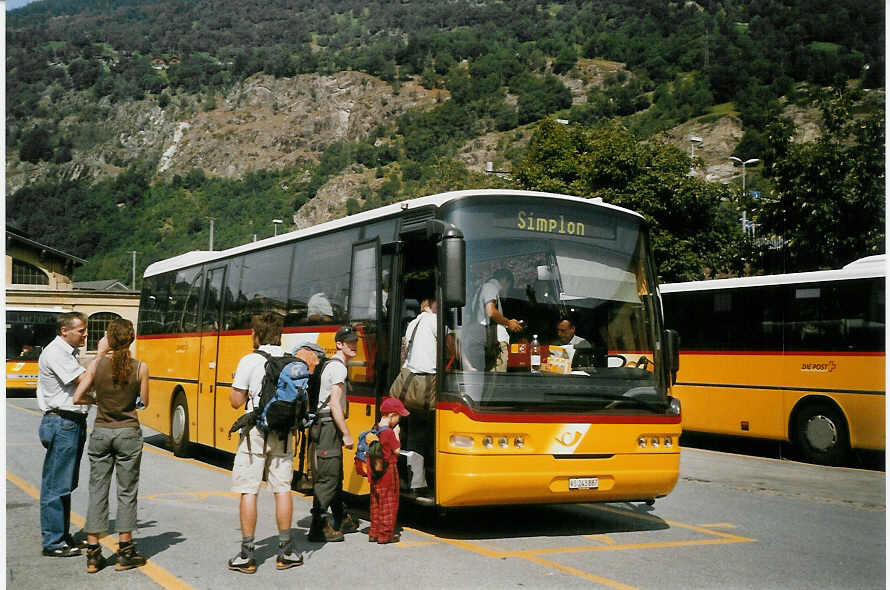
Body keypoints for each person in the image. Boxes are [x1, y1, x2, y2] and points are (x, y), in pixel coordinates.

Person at [227, 313, 321, 574]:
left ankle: (247, 554)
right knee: (282, 490)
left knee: (249, 490)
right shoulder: (292, 360)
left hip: (255, 432)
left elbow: (236, 401)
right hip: (283, 432)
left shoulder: (249, 360)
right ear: (280, 334)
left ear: (256, 335)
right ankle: (286, 550)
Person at [72, 319, 150, 573]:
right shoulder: (141, 367)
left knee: (97, 490)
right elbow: (144, 401)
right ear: (132, 338)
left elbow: (77, 396)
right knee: (126, 491)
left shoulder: (97, 365)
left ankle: (93, 553)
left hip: (101, 431)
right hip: (128, 431)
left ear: (108, 338)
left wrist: (97, 400)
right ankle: (125, 551)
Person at [37, 311, 91, 557]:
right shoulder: (57, 353)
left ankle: (61, 534)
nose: (85, 334)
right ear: (64, 331)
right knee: (57, 485)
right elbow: (83, 379)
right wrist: (102, 357)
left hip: (71, 421)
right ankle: (54, 541)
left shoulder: (67, 353)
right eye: (81, 330)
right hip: (63, 421)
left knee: (65, 483)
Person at [307, 325, 359, 543]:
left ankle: (340, 516)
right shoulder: (339, 369)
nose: (354, 345)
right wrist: (346, 434)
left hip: (325, 425)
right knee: (328, 475)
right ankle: (318, 526)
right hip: (329, 425)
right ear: (339, 344)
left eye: (355, 341)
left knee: (334, 472)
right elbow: (335, 405)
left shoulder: (331, 364)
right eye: (349, 342)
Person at [389, 299, 436, 490]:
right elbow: (452, 347)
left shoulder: (413, 324)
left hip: (409, 387)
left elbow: (405, 354)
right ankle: (432, 478)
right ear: (430, 305)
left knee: (416, 432)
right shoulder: (434, 321)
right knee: (431, 432)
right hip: (428, 387)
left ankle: (416, 480)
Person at [368, 397, 409, 545]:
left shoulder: (375, 428)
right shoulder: (389, 432)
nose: (399, 420)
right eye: (398, 417)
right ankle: (385, 535)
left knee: (376, 501)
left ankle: (374, 532)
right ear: (391, 415)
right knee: (388, 503)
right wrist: (397, 434)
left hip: (374, 470)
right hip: (387, 470)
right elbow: (396, 451)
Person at [465, 269, 523, 371]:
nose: (508, 290)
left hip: (487, 342)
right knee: (496, 382)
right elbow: (490, 311)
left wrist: (506, 323)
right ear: (505, 280)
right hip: (495, 344)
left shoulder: (482, 289)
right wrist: (509, 323)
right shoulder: (490, 287)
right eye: (510, 285)